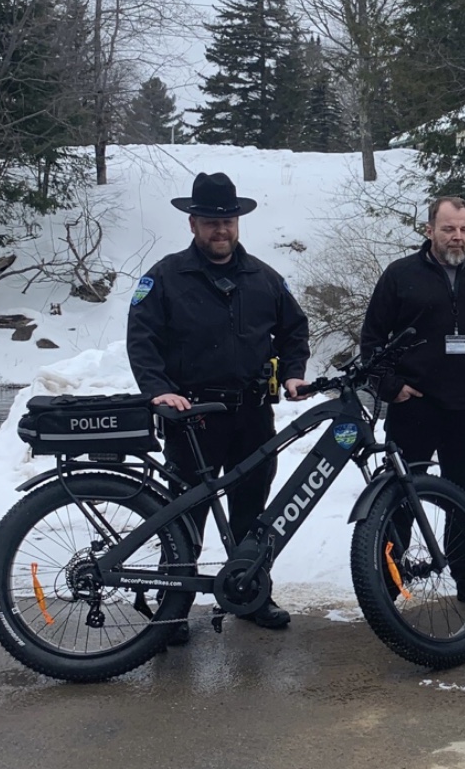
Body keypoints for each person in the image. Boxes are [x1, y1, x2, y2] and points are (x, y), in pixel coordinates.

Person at [127, 172, 310, 643]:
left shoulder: (265, 278)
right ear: (193, 223)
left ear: (238, 223)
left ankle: (250, 593)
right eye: (210, 222)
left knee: (253, 512)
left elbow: (295, 331)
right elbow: (142, 340)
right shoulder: (163, 277)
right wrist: (157, 390)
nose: (220, 230)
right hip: (193, 417)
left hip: (253, 417)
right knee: (187, 517)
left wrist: (293, 371)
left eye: (227, 221)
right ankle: (174, 608)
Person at [360, 196, 465, 600]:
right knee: (399, 497)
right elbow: (372, 339)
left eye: (464, 229)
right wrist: (390, 386)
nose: (457, 236)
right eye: (449, 228)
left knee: (464, 496)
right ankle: (387, 591)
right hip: (414, 405)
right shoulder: (400, 276)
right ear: (429, 229)